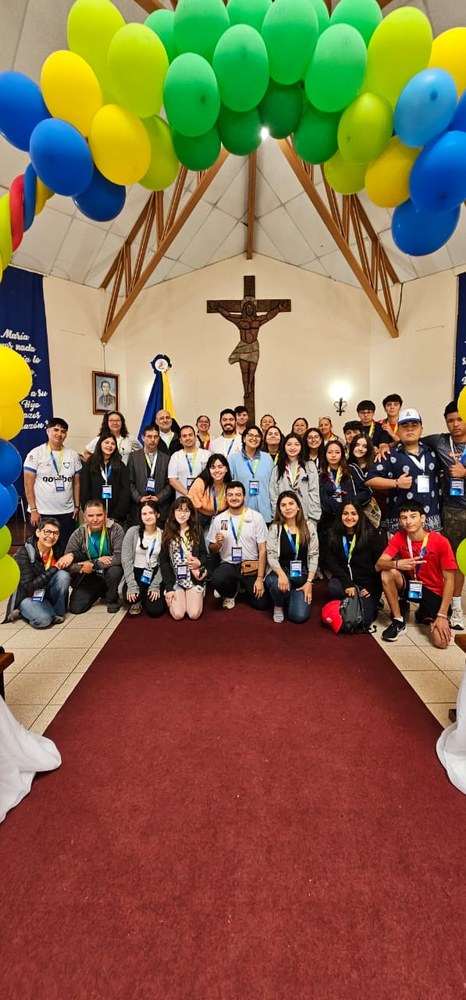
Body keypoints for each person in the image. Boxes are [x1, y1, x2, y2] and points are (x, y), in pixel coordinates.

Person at [375, 500, 456, 646]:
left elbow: (450, 579)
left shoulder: (440, 541)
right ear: (400, 521)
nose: (408, 521)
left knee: (441, 642)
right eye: (404, 518)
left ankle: (422, 613)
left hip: (433, 590)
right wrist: (397, 564)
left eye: (413, 516)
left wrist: (442, 614)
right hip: (410, 584)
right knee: (387, 573)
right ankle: (398, 621)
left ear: (423, 518)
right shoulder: (399, 537)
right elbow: (378, 565)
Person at [422, 401, 466, 630]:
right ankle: (456, 609)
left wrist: (464, 473)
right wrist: (384, 445)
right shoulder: (440, 441)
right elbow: (411, 437)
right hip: (453, 510)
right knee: (456, 560)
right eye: (450, 420)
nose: (455, 424)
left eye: (459, 419)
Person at [366, 408, 441, 536]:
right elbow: (370, 479)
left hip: (431, 520)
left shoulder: (433, 452)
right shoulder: (388, 454)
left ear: (421, 429)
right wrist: (396, 483)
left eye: (414, 425)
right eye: (405, 426)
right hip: (401, 523)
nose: (410, 429)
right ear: (398, 430)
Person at [208, 481, 269, 611]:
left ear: (244, 497)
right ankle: (230, 593)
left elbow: (263, 550)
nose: (234, 498)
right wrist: (217, 544)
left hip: (250, 566)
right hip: (228, 564)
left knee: (262, 604)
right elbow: (211, 549)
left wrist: (259, 579)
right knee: (218, 579)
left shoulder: (256, 517)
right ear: (226, 498)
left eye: (238, 494)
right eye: (230, 495)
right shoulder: (219, 519)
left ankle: (242, 587)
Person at [23, 417, 81, 553]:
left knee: (65, 549)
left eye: (63, 431)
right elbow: (28, 484)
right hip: (42, 512)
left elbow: (77, 483)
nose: (59, 434)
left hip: (66, 513)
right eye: (56, 430)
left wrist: (77, 506)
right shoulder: (36, 454)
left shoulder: (73, 455)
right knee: (41, 550)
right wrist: (33, 509)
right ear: (48, 431)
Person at [326, 500, 385, 627]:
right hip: (345, 581)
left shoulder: (371, 535)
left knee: (363, 621)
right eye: (345, 513)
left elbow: (381, 565)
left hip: (367, 584)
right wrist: (348, 583)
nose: (349, 517)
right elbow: (332, 563)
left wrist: (372, 588)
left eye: (354, 513)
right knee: (333, 588)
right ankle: (351, 602)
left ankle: (367, 604)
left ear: (360, 515)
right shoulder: (333, 533)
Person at [5, 518, 71, 628]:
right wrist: (55, 568)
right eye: (47, 532)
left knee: (63, 576)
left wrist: (73, 557)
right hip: (29, 596)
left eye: (55, 533)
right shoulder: (24, 553)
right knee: (43, 620)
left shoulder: (57, 548)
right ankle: (28, 611)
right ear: (38, 532)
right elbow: (29, 586)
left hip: (46, 592)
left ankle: (58, 612)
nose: (51, 536)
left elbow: (66, 569)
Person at [62, 500, 124, 614]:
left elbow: (119, 557)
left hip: (108, 569)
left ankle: (112, 599)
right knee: (76, 608)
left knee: (115, 571)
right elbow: (67, 563)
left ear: (105, 515)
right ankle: (101, 588)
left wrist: (94, 564)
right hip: (88, 573)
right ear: (85, 517)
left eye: (99, 515)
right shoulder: (78, 533)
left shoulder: (116, 529)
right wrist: (84, 567)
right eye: (90, 516)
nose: (95, 519)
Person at [265, 491, 318, 624]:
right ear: (279, 509)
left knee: (299, 616)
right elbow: (271, 555)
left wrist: (309, 582)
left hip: (301, 574)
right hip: (280, 571)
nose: (288, 508)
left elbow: (314, 555)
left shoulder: (309, 526)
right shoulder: (275, 528)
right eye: (283, 505)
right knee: (277, 585)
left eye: (291, 504)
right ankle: (278, 605)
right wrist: (281, 574)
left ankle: (288, 595)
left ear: (298, 506)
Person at [160, 497, 208, 620]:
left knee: (193, 614)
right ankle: (180, 596)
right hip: (175, 579)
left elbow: (204, 554)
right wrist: (169, 588)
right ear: (173, 512)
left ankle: (197, 592)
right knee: (178, 615)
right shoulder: (168, 530)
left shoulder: (197, 529)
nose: (182, 514)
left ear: (191, 513)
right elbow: (164, 562)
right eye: (179, 510)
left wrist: (199, 562)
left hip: (192, 578)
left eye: (186, 511)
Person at [121, 500, 165, 618]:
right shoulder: (132, 532)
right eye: (144, 514)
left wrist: (155, 585)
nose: (148, 516)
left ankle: (148, 593)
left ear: (157, 514)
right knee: (131, 598)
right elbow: (126, 560)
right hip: (136, 572)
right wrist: (131, 585)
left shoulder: (163, 535)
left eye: (151, 513)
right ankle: (140, 597)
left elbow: (164, 564)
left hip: (154, 573)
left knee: (155, 611)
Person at [269, 433, 321, 524]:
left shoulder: (309, 466)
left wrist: (313, 518)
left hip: (305, 517)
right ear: (284, 447)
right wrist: (276, 516)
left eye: (296, 444)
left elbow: (314, 492)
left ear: (301, 447)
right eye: (289, 444)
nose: (292, 448)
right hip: (283, 517)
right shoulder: (277, 469)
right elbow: (274, 495)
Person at [80, 433, 130, 526]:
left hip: (116, 518)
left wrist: (118, 514)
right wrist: (89, 512)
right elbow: (85, 490)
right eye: (107, 442)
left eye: (113, 444)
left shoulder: (120, 465)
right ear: (100, 444)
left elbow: (125, 490)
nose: (110, 446)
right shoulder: (90, 464)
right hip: (95, 517)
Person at [127, 424, 172, 526]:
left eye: (155, 437)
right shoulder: (134, 457)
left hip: (160, 507)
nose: (152, 440)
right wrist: (139, 498)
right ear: (143, 437)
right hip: (138, 507)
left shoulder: (166, 458)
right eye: (149, 436)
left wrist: (159, 497)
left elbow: (170, 484)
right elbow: (129, 482)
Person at [229, 425, 274, 523]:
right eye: (250, 435)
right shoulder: (233, 459)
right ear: (244, 438)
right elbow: (229, 485)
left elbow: (273, 485)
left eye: (257, 436)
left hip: (265, 511)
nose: (254, 438)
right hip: (242, 511)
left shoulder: (267, 458)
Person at [188, 453, 231, 524]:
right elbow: (192, 504)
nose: (217, 470)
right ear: (208, 469)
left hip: (221, 517)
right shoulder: (200, 482)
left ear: (226, 469)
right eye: (213, 467)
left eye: (220, 467)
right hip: (200, 517)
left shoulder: (229, 484)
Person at [168, 425, 209, 498]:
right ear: (180, 440)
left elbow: (210, 477)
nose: (188, 438)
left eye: (190, 435)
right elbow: (172, 480)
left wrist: (197, 494)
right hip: (182, 499)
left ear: (195, 437)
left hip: (202, 497)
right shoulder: (175, 456)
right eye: (184, 436)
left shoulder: (207, 454)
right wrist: (188, 494)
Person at [347, 433, 377, 512]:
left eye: (364, 446)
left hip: (372, 509)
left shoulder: (375, 465)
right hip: (351, 509)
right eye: (357, 445)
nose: (360, 449)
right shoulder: (347, 465)